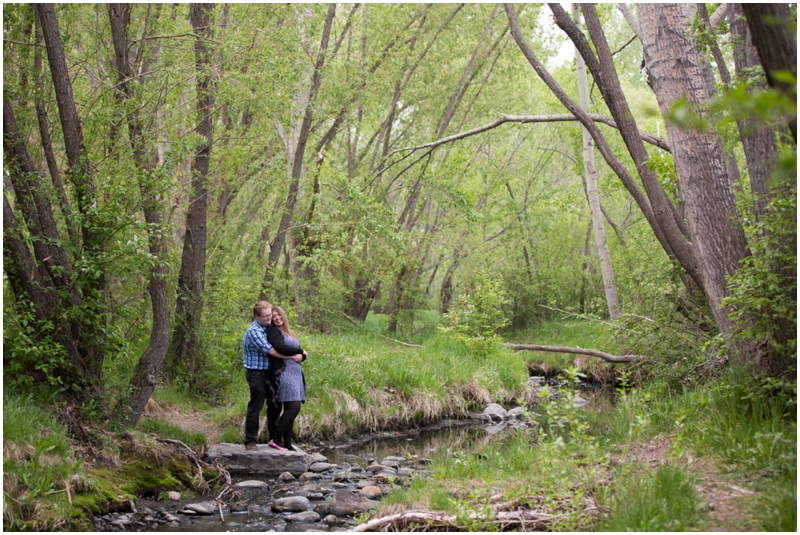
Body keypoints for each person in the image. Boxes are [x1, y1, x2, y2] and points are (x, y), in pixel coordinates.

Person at [242, 300, 304, 451]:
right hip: (256, 373)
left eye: (270, 314)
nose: (269, 318)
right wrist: (296, 355)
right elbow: (272, 351)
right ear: (257, 316)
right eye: (266, 316)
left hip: (270, 373)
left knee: (274, 406)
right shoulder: (254, 331)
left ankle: (274, 439)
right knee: (256, 405)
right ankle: (250, 440)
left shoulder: (268, 326)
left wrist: (302, 355)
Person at [266, 306, 308, 452]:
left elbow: (301, 353)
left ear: (283, 316)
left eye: (278, 315)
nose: (277, 318)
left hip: (295, 373)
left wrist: (302, 356)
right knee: (294, 407)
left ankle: (288, 443)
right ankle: (276, 439)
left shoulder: (289, 333)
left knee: (290, 408)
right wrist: (301, 352)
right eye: (273, 316)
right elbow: (281, 348)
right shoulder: (273, 332)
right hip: (284, 372)